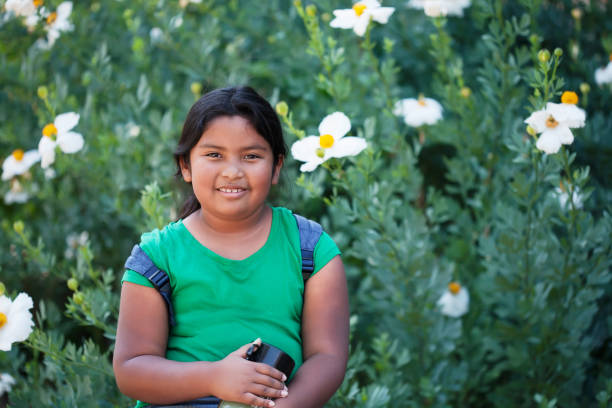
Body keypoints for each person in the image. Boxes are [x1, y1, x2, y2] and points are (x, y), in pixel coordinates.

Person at [113, 86, 350, 408]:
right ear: (186, 166)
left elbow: (328, 357)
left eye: (252, 156)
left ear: (276, 166)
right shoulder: (157, 258)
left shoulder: (311, 250)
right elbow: (131, 370)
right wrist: (214, 377)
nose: (232, 171)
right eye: (214, 155)